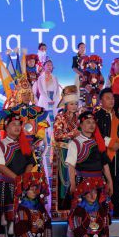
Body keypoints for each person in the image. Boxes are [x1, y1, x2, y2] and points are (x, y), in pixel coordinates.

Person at [0, 113, 36, 237]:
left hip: (23, 184)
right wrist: (17, 179)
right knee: (7, 212)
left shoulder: (25, 144)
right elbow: (0, 165)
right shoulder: (0, 145)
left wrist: (24, 178)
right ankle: (5, 236)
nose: (17, 127)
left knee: (23, 211)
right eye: (13, 124)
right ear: (6, 127)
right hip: (7, 185)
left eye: (19, 125)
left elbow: (30, 162)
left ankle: (23, 235)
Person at [94, 88, 119, 217]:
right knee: (101, 182)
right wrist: (110, 143)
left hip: (117, 153)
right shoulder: (96, 117)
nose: (111, 100)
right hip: (102, 154)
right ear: (101, 101)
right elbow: (95, 134)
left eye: (112, 98)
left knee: (117, 181)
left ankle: (117, 209)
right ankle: (100, 209)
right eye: (108, 98)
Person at [13, 171, 53, 237]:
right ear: (25, 190)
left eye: (36, 188)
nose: (35, 191)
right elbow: (22, 231)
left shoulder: (41, 208)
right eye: (31, 188)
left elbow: (48, 227)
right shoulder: (22, 209)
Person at [66, 112, 115, 195]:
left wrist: (110, 182)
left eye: (93, 122)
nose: (92, 125)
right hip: (82, 183)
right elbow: (71, 166)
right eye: (88, 122)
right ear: (81, 125)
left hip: (99, 182)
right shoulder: (75, 143)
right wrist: (73, 184)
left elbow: (105, 165)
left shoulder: (99, 141)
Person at [52, 86, 81, 218]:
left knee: (76, 177)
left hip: (78, 151)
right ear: (66, 104)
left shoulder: (79, 118)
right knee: (64, 179)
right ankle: (63, 208)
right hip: (64, 150)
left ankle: (76, 207)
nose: (74, 106)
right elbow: (57, 135)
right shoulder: (60, 117)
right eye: (71, 104)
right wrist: (72, 134)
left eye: (76, 104)